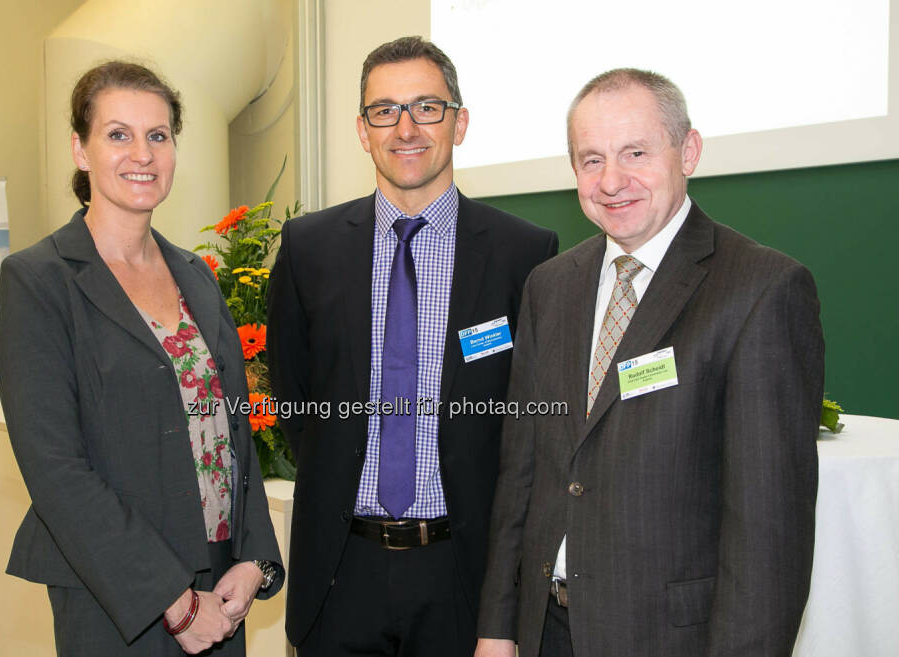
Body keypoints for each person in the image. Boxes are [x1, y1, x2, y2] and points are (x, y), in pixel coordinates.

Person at [475, 68, 824, 657]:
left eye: (635, 152)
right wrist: (498, 627)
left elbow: (770, 535)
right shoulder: (550, 287)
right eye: (591, 160)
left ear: (687, 150)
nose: (612, 180)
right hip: (546, 632)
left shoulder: (762, 290)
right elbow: (523, 474)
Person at [267, 36, 558, 656]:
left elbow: (530, 422)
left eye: (427, 107)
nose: (405, 128)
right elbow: (293, 397)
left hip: (464, 573)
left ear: (460, 122)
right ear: (361, 129)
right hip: (341, 568)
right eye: (384, 110)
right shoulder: (307, 248)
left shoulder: (523, 255)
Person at [0, 60, 283, 656]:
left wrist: (255, 558)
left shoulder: (196, 275)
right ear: (80, 149)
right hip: (118, 592)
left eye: (159, 136)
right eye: (118, 134)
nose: (142, 154)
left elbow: (234, 430)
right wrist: (173, 601)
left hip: (221, 585)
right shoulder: (39, 281)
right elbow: (56, 471)